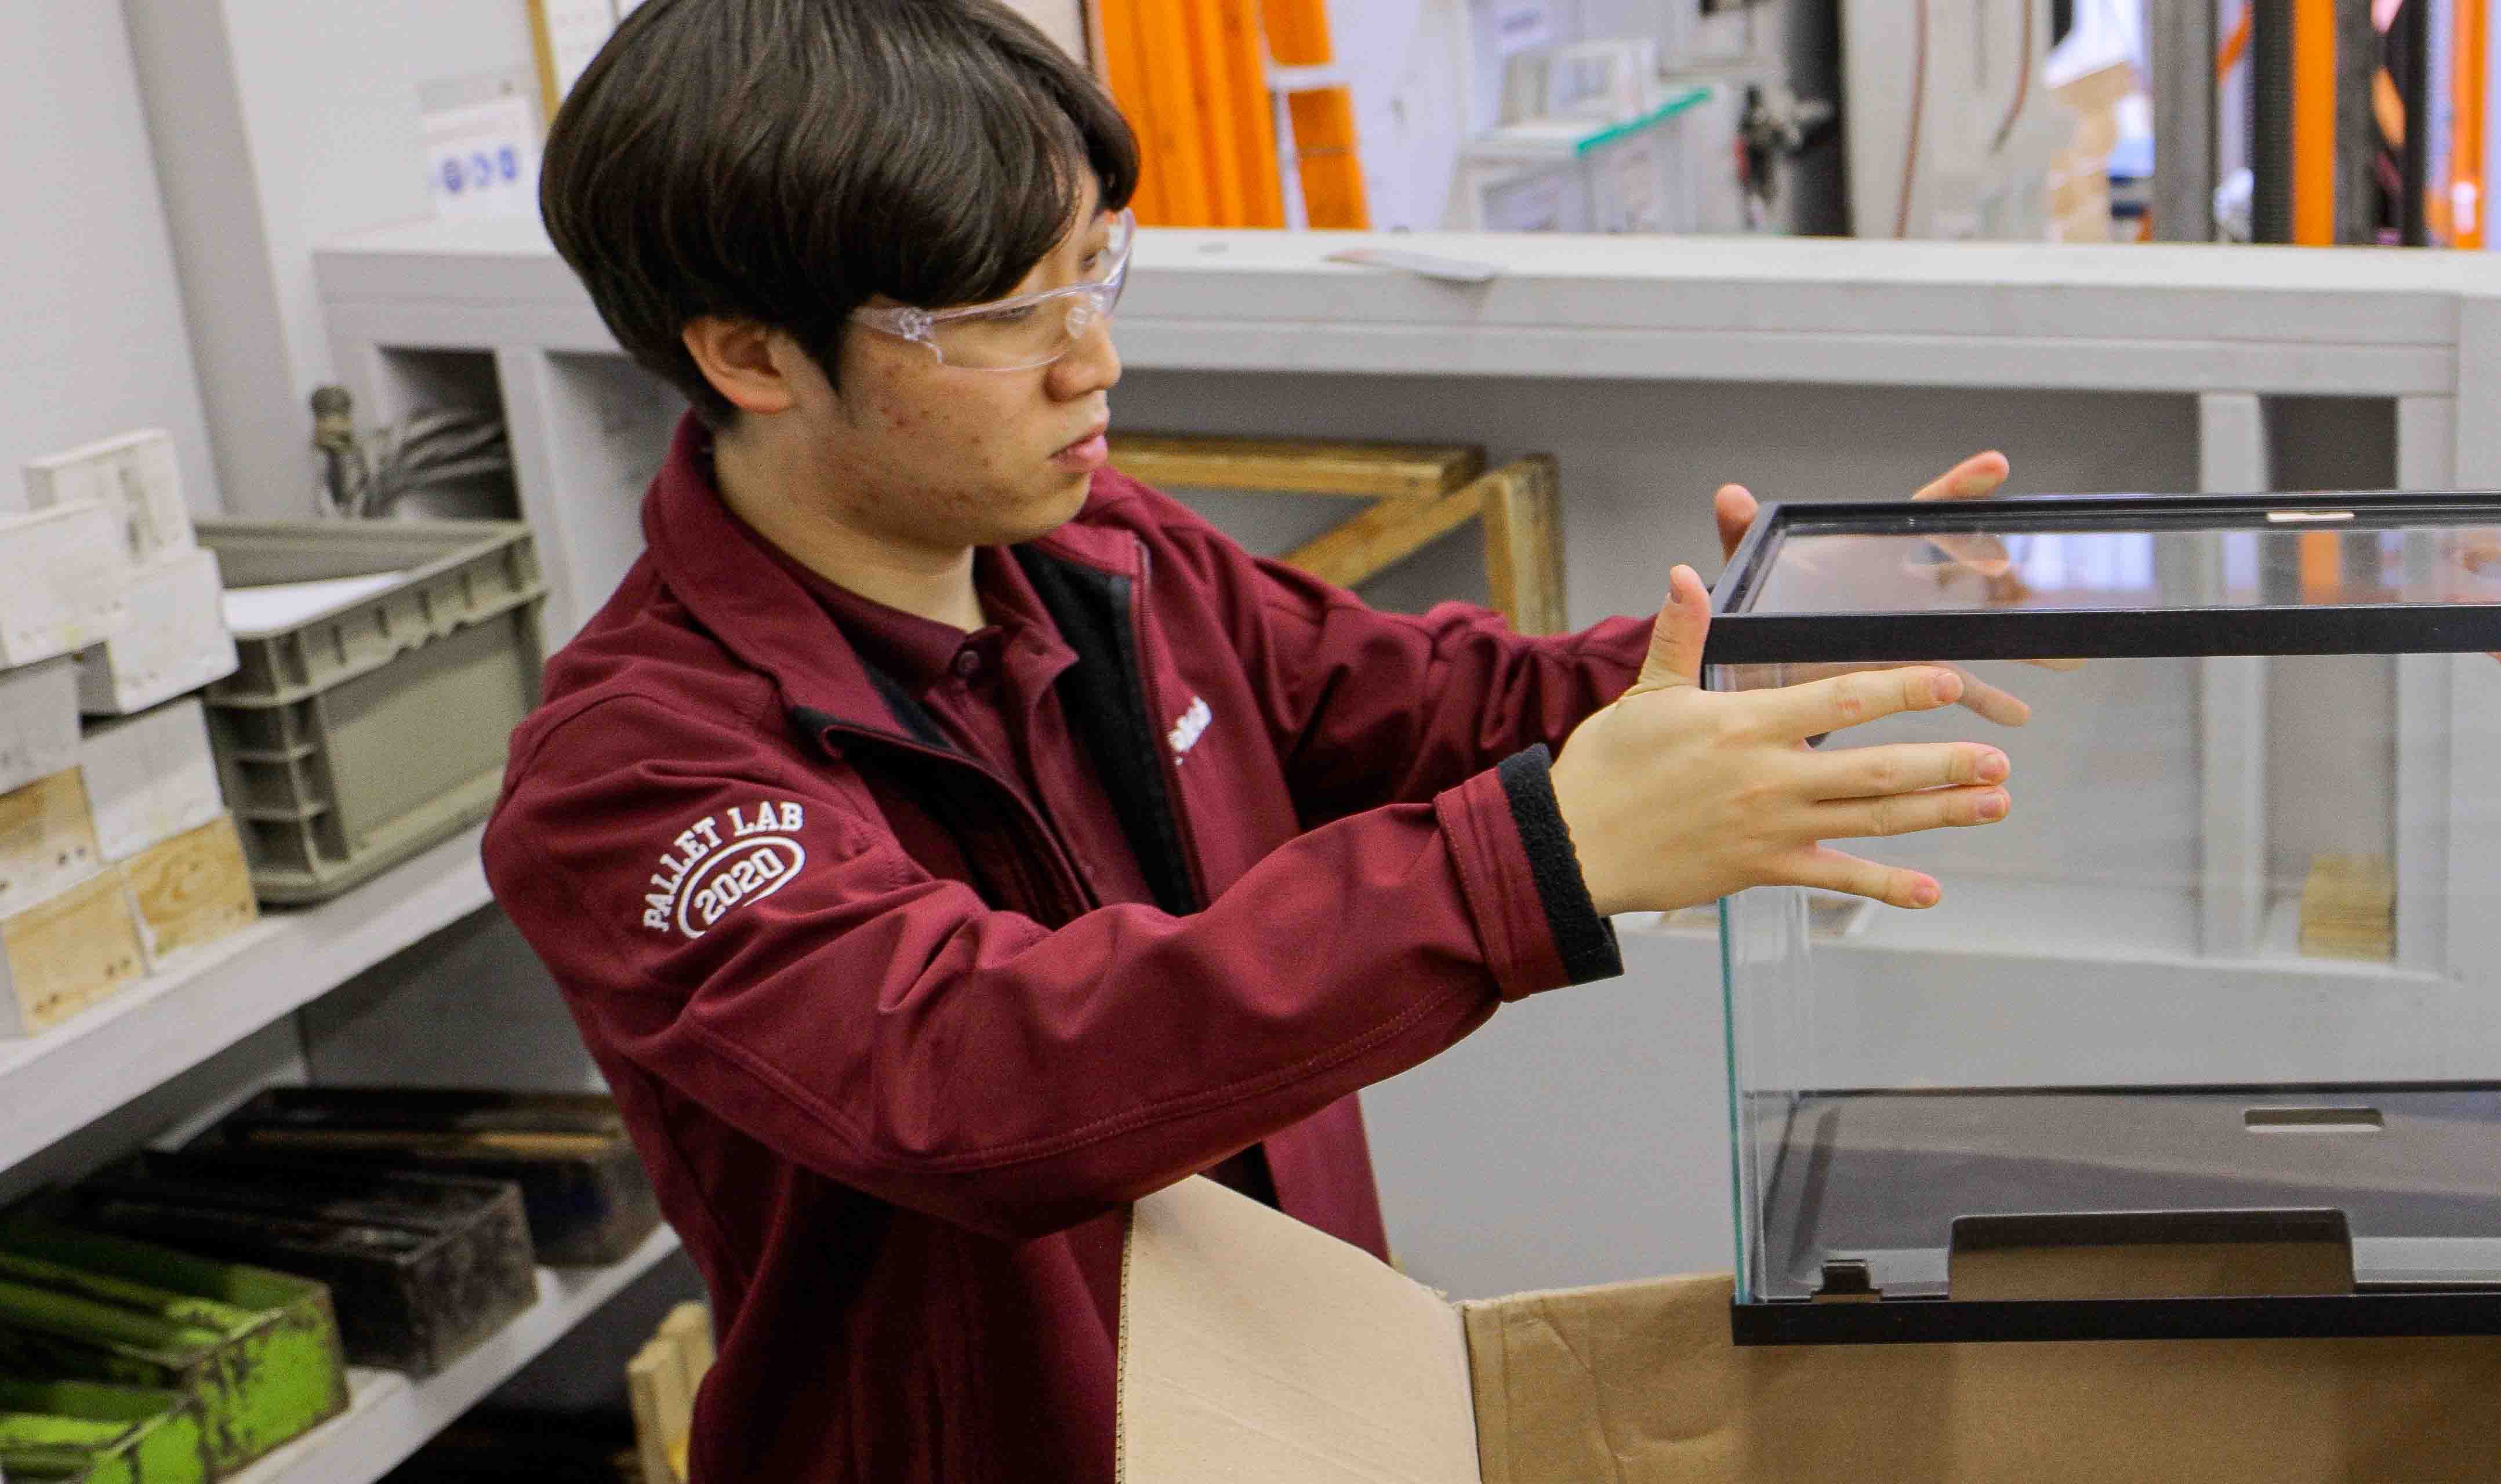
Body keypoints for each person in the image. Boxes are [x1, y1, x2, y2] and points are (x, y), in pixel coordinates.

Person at [482, 2, 2023, 1478]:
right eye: (1012, 315)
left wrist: (1747, 655)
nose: (1093, 361)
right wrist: (1538, 859)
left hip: (1301, 1390)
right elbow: (972, 1070)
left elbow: (1415, 696)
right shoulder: (633, 779)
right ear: (753, 357)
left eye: (1096, 271)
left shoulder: (1107, 555)